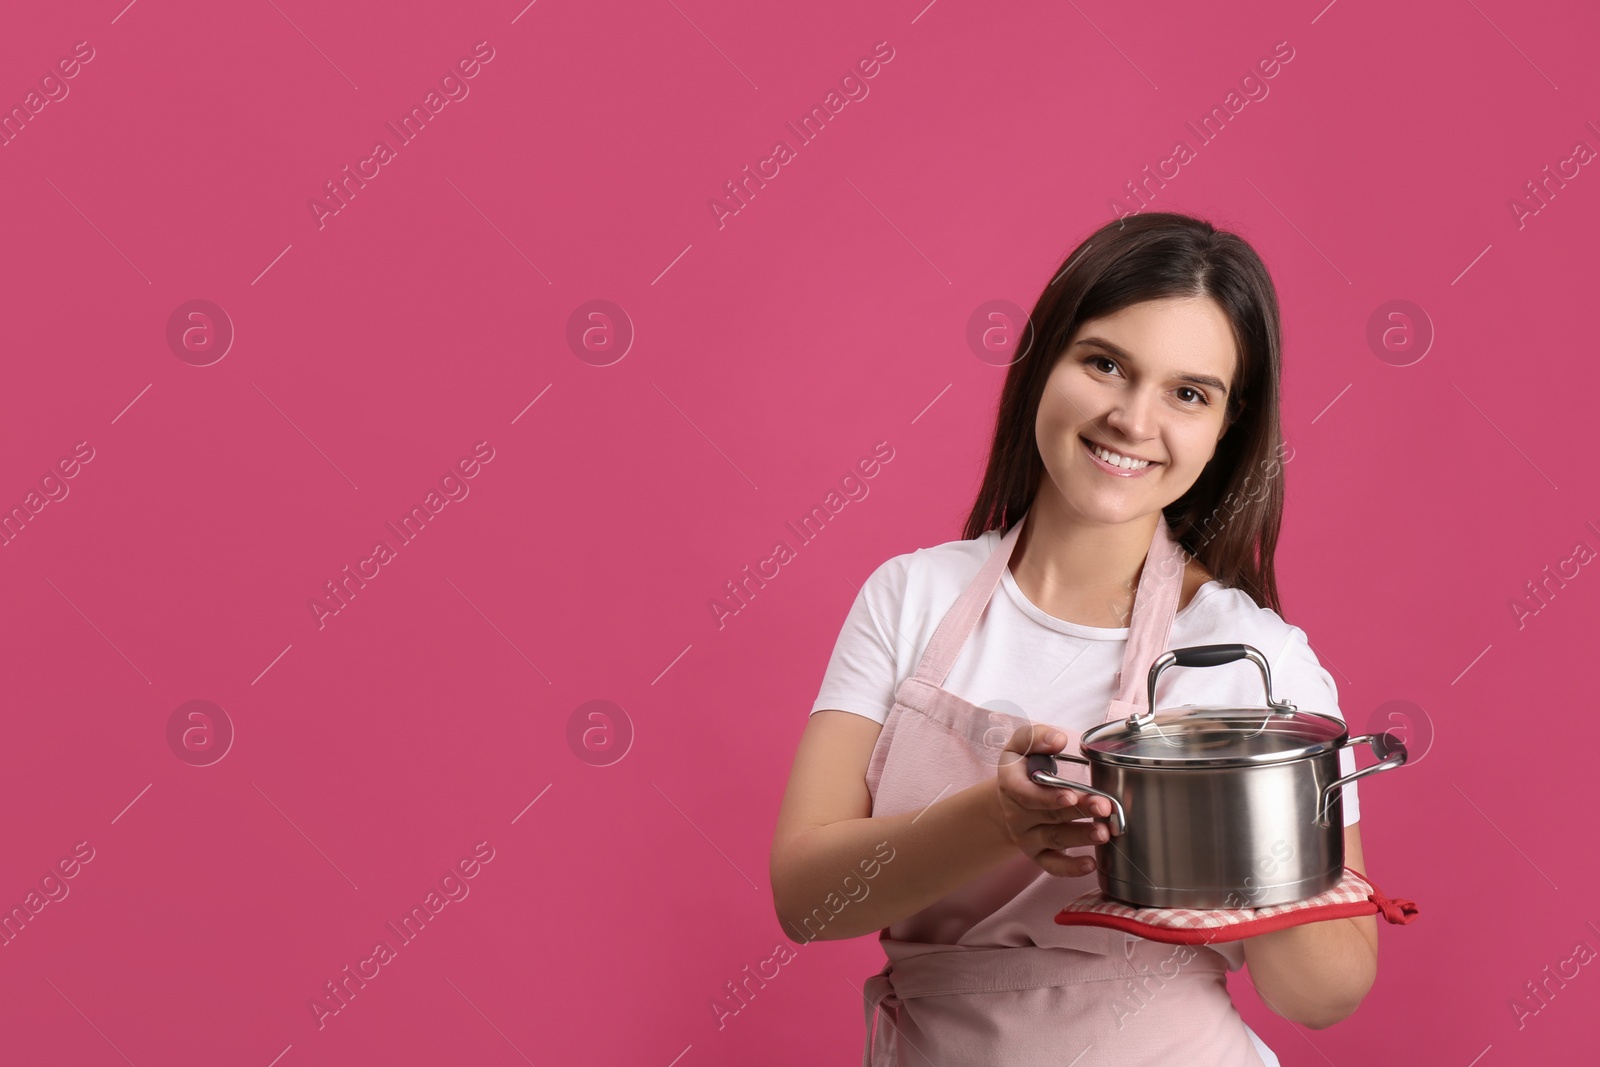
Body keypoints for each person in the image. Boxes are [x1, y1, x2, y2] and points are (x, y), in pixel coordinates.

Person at [769, 212, 1381, 1066]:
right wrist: (999, 817)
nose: (1133, 418)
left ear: (1225, 429)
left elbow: (1326, 996)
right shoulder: (909, 598)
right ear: (1042, 361)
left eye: (1188, 392)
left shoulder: (1253, 663)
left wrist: (1252, 814)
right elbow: (807, 900)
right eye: (1105, 363)